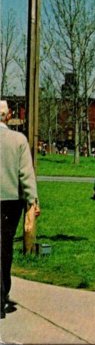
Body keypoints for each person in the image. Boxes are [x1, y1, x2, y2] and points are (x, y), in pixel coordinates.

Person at [0, 101, 40, 318]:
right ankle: (2, 292)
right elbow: (26, 173)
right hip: (10, 200)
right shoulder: (18, 140)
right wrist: (32, 201)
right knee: (5, 247)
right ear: (9, 116)